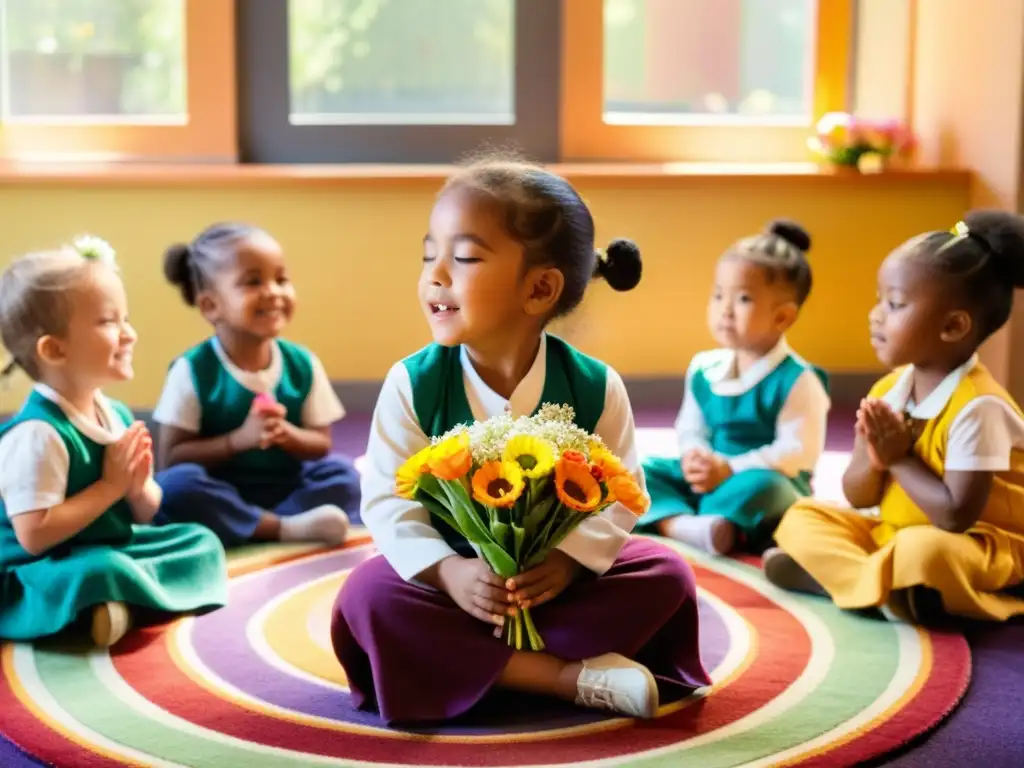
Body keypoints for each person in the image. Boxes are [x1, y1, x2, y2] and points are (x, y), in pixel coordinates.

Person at [331, 157, 710, 724]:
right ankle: (559, 676)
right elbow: (388, 500)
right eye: (429, 253)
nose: (435, 274)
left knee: (668, 574)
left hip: (554, 590)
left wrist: (569, 561)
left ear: (539, 288)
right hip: (453, 590)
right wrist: (449, 573)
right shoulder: (412, 383)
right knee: (368, 597)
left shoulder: (596, 386)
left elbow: (624, 495)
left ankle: (473, 666)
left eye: (462, 258)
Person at [765, 211, 1024, 624]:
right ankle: (890, 592)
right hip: (894, 534)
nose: (876, 314)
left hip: (986, 548)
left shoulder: (980, 408)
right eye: (879, 298)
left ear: (954, 326)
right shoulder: (889, 390)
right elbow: (859, 496)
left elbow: (954, 517)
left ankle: (851, 582)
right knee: (803, 516)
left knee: (927, 552)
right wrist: (875, 459)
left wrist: (900, 457)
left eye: (895, 304)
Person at [0, 237, 227, 646]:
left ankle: (113, 607)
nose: (129, 334)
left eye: (126, 318)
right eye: (108, 322)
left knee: (201, 541)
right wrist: (110, 487)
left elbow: (143, 514)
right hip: (37, 564)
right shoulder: (38, 434)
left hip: (104, 544)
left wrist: (138, 489)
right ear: (53, 349)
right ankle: (112, 602)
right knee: (97, 571)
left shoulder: (117, 415)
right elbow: (34, 536)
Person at [154, 223, 360, 547]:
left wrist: (288, 435)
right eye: (253, 282)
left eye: (281, 279)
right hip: (218, 486)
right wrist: (237, 441)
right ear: (210, 306)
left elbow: (321, 443)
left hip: (285, 484)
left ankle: (250, 524)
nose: (274, 292)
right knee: (173, 487)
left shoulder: (302, 364)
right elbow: (171, 457)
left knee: (344, 475)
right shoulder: (191, 370)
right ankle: (282, 527)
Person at [639, 221, 829, 554]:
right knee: (639, 468)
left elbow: (797, 453)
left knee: (767, 489)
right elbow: (690, 426)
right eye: (717, 295)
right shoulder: (704, 368)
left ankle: (687, 521)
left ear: (783, 317)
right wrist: (694, 457)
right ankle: (689, 526)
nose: (724, 309)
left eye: (742, 299)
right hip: (709, 477)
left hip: (757, 477)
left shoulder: (798, 379)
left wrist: (730, 469)